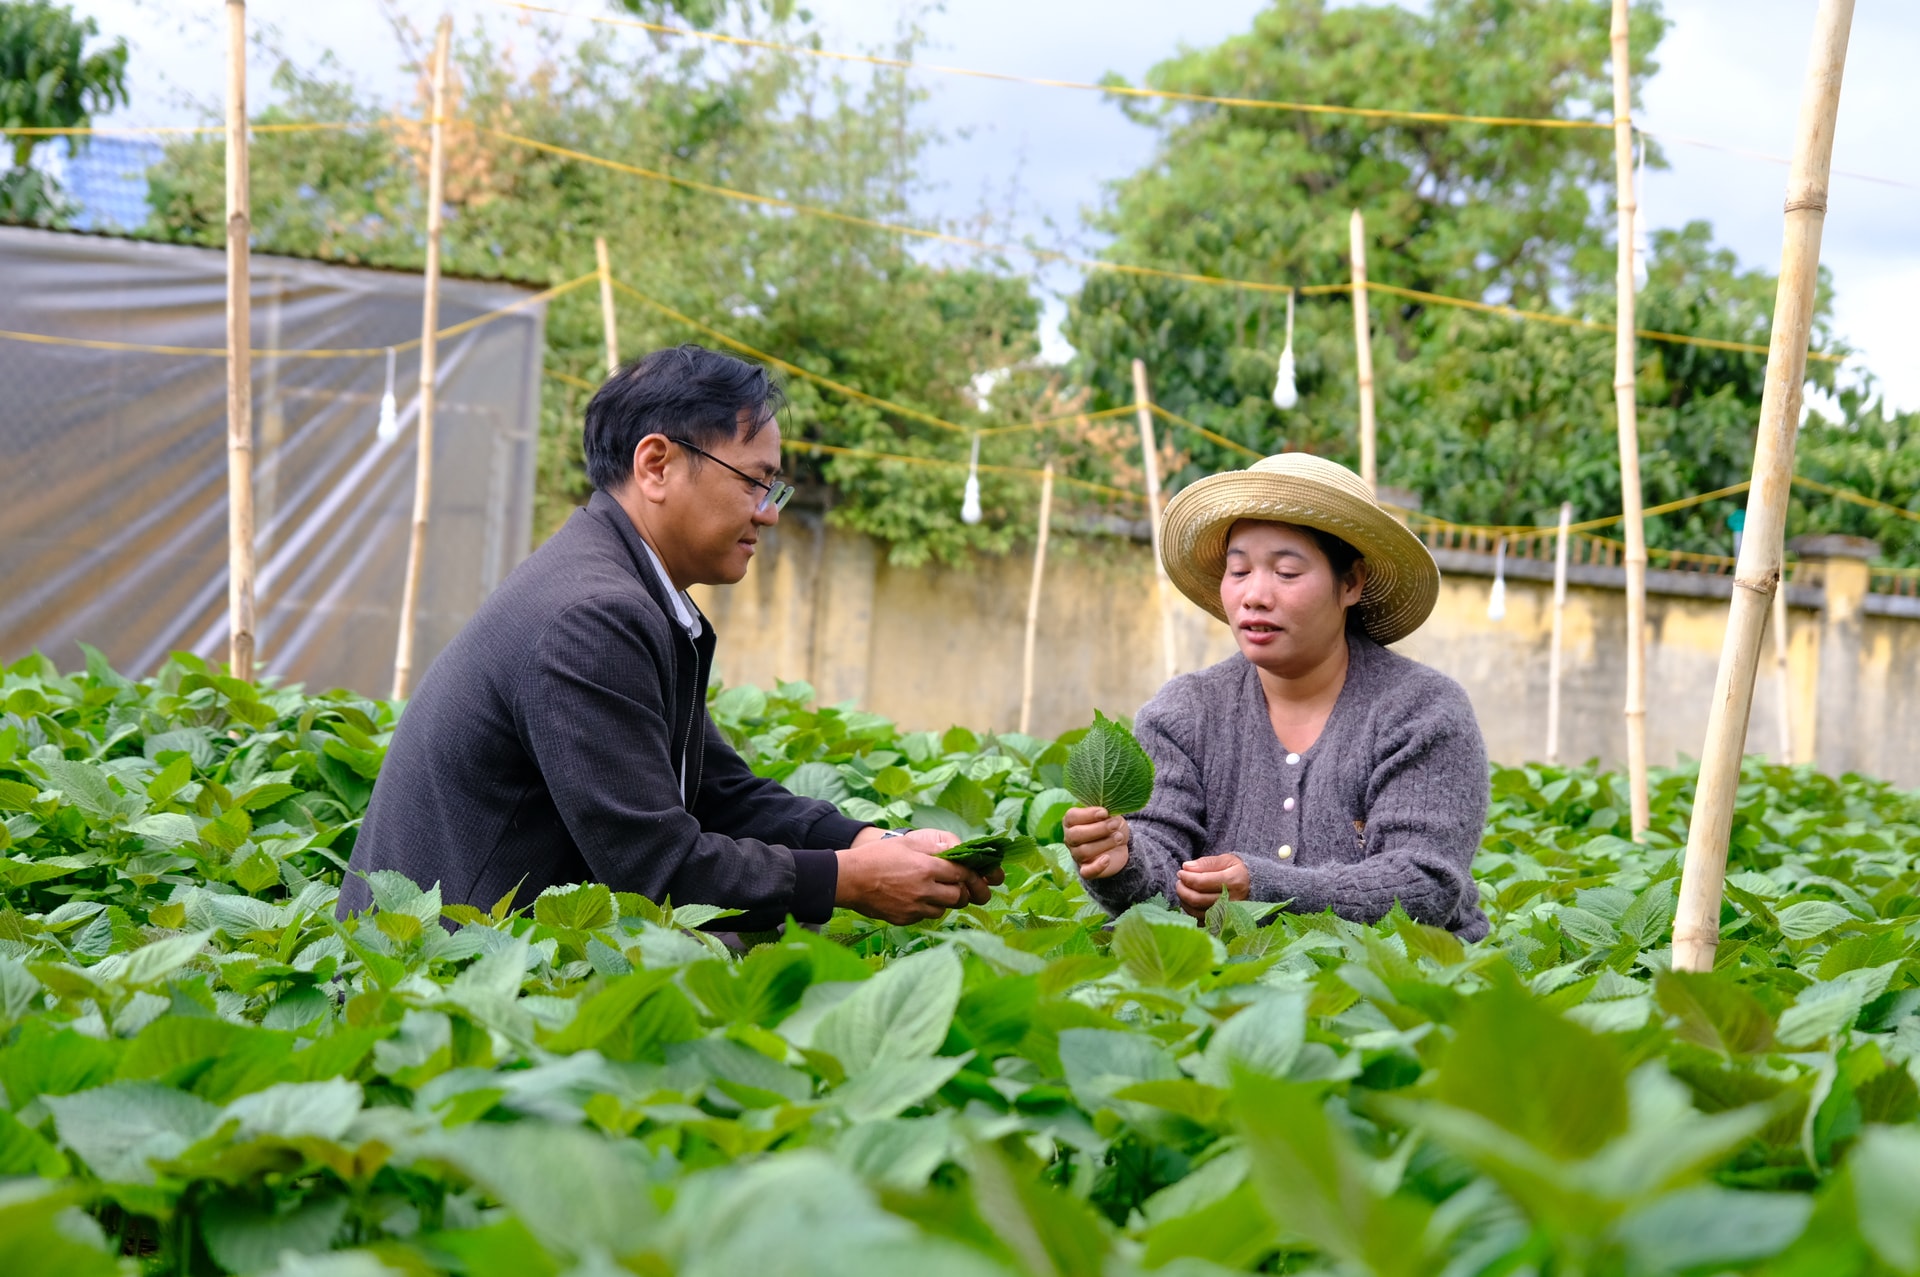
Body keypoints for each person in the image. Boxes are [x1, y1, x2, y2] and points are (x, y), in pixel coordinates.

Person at [338, 344, 994, 929]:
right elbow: (656, 867)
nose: (768, 512)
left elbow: (718, 792)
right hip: (435, 984)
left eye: (775, 487)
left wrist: (874, 840)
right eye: (755, 480)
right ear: (656, 464)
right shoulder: (591, 616)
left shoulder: (627, 589)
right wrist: (850, 881)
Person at [1063, 453, 1491, 940]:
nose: (1255, 595)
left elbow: (1423, 885)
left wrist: (1265, 888)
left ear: (1350, 582)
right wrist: (1124, 860)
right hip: (1225, 978)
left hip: (1394, 986)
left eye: (1286, 572)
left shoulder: (1423, 711)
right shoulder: (1182, 713)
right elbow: (1161, 879)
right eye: (1239, 571)